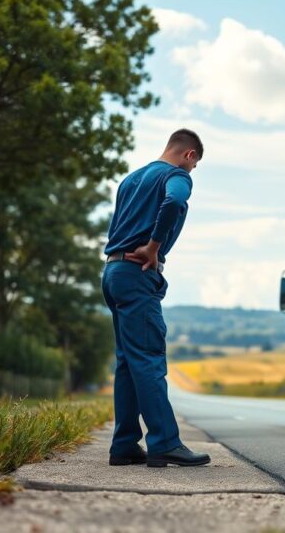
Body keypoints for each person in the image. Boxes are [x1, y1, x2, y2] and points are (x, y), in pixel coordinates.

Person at [101, 128, 210, 467]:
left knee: (127, 363)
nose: (191, 173)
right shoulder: (176, 175)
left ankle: (124, 445)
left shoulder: (130, 180)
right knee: (148, 358)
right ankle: (164, 442)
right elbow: (175, 200)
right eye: (194, 166)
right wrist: (154, 246)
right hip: (137, 275)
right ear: (189, 155)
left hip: (113, 273)